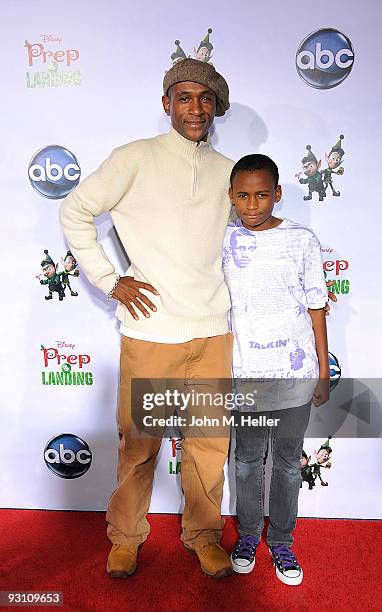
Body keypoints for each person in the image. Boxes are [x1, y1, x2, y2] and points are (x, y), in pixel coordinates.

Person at [60, 58, 235, 579]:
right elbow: (75, 210)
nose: (195, 108)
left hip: (213, 331)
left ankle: (203, 536)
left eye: (204, 99)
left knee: (208, 445)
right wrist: (111, 280)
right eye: (184, 97)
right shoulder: (134, 158)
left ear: (216, 107)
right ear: (166, 105)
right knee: (138, 444)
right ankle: (126, 537)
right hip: (150, 331)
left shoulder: (230, 171)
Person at [223, 154, 329, 585]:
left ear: (278, 194)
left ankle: (282, 541)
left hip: (294, 373)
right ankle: (248, 534)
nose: (253, 204)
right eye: (243, 196)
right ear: (231, 197)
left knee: (286, 462)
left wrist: (323, 369)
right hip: (246, 373)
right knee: (247, 461)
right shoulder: (224, 241)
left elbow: (317, 307)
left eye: (262, 194)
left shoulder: (302, 240)